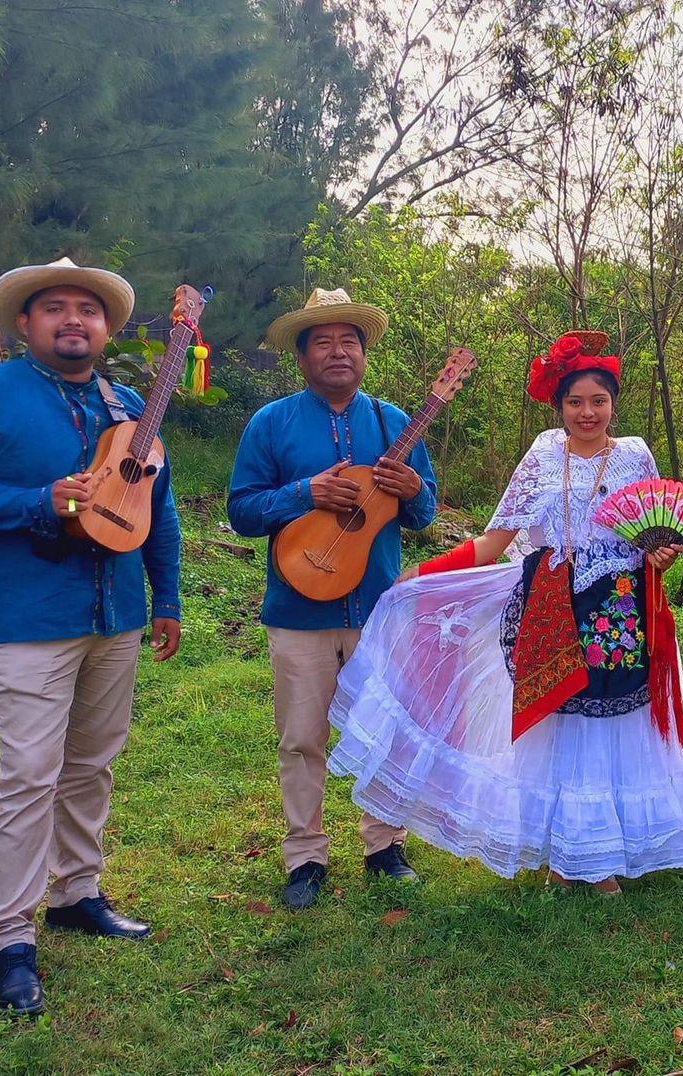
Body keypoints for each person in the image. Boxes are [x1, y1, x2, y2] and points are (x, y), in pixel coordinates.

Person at [325, 331, 683, 894]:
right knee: (557, 723)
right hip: (550, 606)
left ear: (614, 403)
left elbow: (650, 533)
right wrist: (426, 573)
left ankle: (601, 856)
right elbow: (494, 541)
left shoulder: (635, 455)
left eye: (598, 401)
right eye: (575, 401)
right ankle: (562, 854)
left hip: (619, 610)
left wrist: (661, 554)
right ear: (559, 406)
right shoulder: (542, 456)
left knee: (608, 727)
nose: (587, 412)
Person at [0, 257, 182, 1015]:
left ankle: (76, 893)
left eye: (88, 310)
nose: (73, 319)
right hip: (29, 616)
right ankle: (10, 938)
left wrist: (167, 595)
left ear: (106, 328)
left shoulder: (129, 405)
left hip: (116, 614)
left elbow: (157, 507)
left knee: (92, 763)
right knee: (30, 774)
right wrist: (38, 501)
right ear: (26, 323)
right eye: (56, 307)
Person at [227, 288, 440, 910]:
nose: (338, 351)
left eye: (349, 340)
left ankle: (385, 845)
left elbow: (425, 512)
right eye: (322, 341)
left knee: (385, 730)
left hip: (379, 607)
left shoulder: (396, 423)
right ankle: (306, 856)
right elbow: (242, 511)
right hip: (299, 609)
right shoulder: (270, 424)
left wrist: (413, 490)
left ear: (365, 354)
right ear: (301, 357)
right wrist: (304, 494)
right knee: (301, 737)